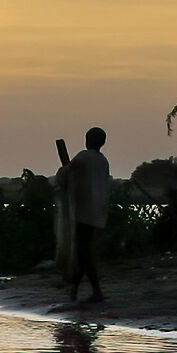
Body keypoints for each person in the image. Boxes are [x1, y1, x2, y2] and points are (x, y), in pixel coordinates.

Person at [64, 125, 111, 305]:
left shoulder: (83, 157)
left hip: (85, 209)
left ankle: (96, 291)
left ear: (87, 140)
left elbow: (66, 173)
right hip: (99, 209)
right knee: (83, 249)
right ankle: (75, 290)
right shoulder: (103, 160)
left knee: (83, 250)